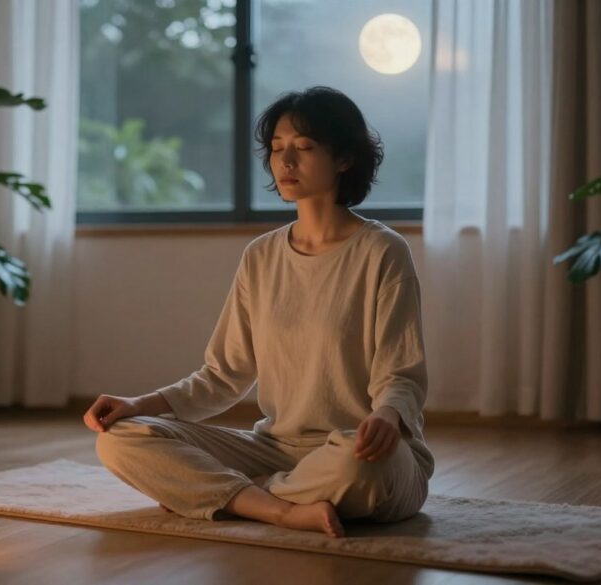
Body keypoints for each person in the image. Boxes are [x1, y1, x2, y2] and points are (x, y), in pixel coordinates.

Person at [84, 86, 433, 539]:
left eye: (304, 148)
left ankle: (231, 495)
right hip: (273, 449)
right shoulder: (261, 256)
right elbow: (223, 376)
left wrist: (389, 415)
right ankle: (278, 508)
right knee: (120, 441)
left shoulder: (383, 251)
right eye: (276, 149)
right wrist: (137, 405)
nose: (285, 163)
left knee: (359, 469)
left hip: (361, 450)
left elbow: (400, 372)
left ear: (344, 159)